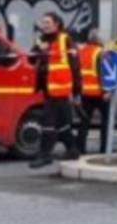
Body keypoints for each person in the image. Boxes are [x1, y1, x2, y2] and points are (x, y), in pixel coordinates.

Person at [28, 12, 81, 169]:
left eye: (47, 22)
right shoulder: (42, 40)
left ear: (56, 24)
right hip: (48, 89)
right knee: (63, 123)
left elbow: (75, 66)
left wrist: (77, 91)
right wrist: (38, 48)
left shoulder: (65, 39)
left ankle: (45, 155)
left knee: (48, 123)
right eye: (43, 22)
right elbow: (31, 59)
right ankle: (73, 149)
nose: (44, 25)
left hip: (60, 89)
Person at [76, 29, 107, 154]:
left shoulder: (81, 52)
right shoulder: (100, 53)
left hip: (84, 92)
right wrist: (106, 90)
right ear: (99, 39)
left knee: (84, 121)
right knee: (106, 121)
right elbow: (103, 74)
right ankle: (104, 148)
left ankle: (80, 148)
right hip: (99, 92)